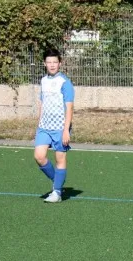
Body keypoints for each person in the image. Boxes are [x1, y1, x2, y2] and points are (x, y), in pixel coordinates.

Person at [34, 49, 74, 203]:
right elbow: (42, 103)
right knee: (39, 156)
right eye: (49, 62)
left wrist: (66, 130)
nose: (52, 65)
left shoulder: (65, 82)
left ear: (60, 63)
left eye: (55, 62)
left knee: (60, 158)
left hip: (60, 127)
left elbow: (69, 108)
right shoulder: (43, 80)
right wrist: (38, 123)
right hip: (44, 127)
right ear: (44, 63)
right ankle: (57, 181)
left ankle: (57, 192)